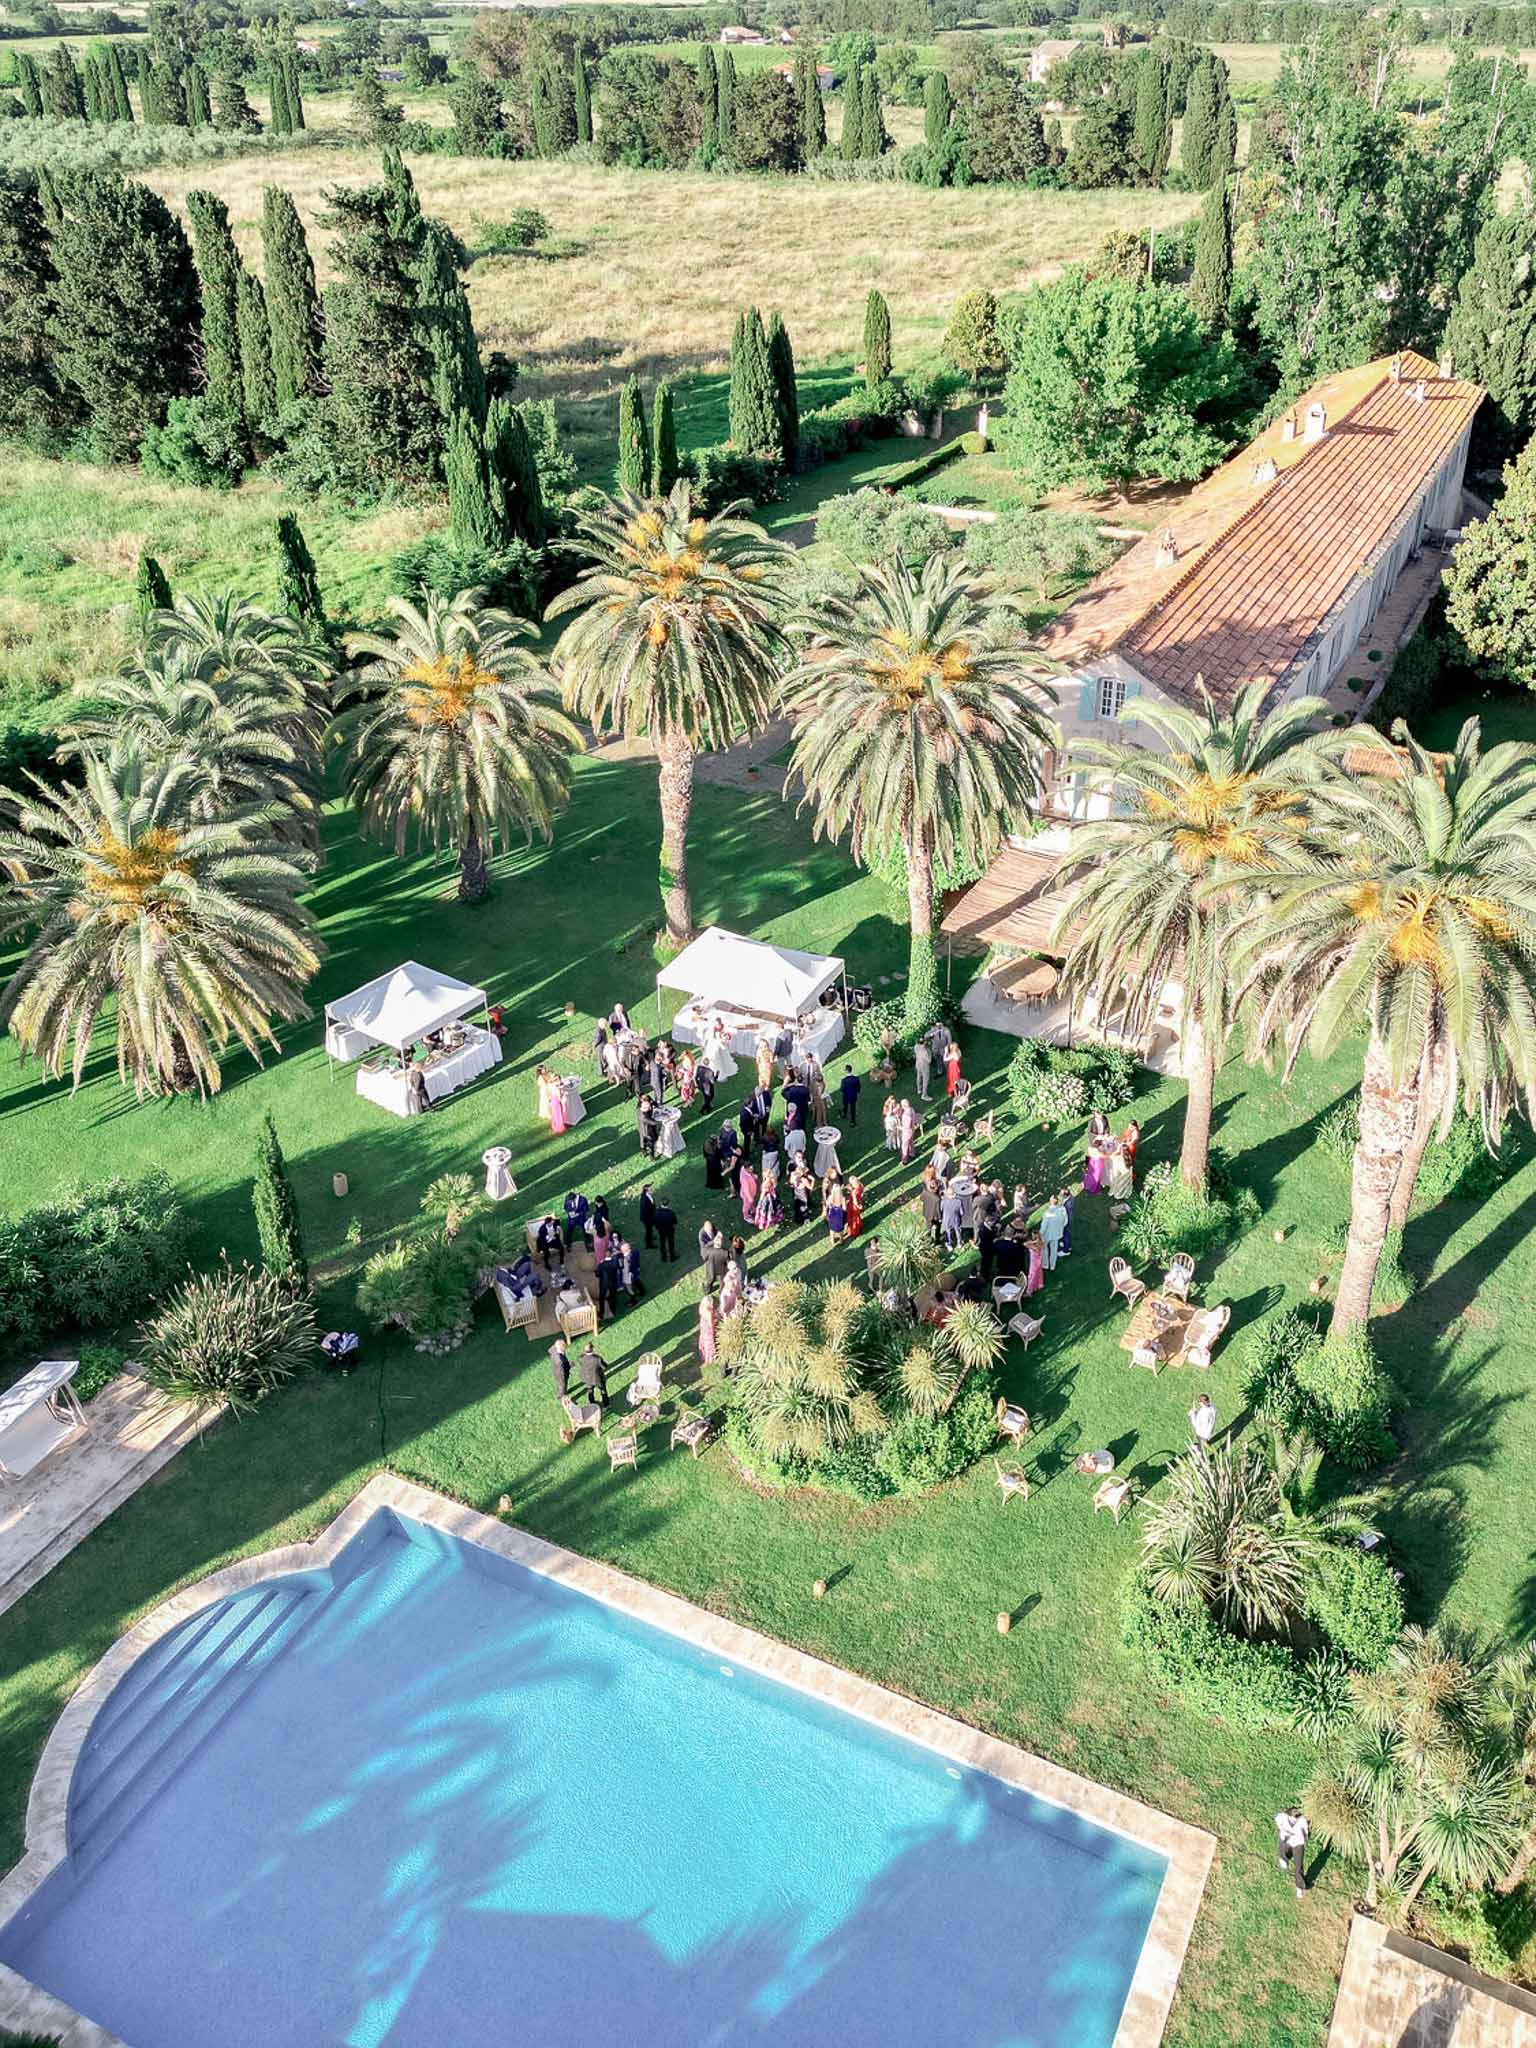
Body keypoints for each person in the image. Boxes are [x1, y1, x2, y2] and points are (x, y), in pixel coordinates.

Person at [1275, 1809, 1309, 1897]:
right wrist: (1282, 1831)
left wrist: (1303, 1839)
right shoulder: (1282, 1817)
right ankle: (1284, 1858)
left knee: (1298, 1866)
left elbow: (1306, 1833)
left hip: (1298, 1844)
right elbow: (1277, 1819)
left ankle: (1299, 1887)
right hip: (1287, 1840)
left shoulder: (1302, 1821)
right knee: (1284, 1848)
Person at [1038, 1192, 1068, 1272]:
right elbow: (1065, 1222)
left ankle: (1045, 1264)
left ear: (1051, 1201)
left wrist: (1039, 1234)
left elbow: (1044, 1227)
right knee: (1054, 1250)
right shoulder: (1062, 1209)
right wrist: (1059, 1228)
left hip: (1047, 1235)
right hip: (1057, 1233)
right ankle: (1052, 1266)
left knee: (1044, 1249)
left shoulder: (1048, 1213)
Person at [919, 1167, 944, 1246]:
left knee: (928, 1227)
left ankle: (927, 1240)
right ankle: (937, 1240)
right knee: (937, 1228)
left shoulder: (925, 1190)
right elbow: (938, 1210)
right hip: (935, 1216)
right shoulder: (937, 1199)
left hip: (927, 1212)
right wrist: (940, 1218)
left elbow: (921, 1198)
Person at [596, 1243, 622, 1319]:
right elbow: (620, 1267)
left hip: (604, 1283)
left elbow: (597, 1274)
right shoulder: (615, 1262)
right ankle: (613, 1311)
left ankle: (601, 1313)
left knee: (602, 1297)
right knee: (613, 1297)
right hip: (613, 1282)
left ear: (605, 1255)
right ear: (611, 1254)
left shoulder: (601, 1264)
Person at [940, 1180, 967, 1253]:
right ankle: (959, 1243)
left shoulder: (943, 1202)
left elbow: (941, 1210)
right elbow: (962, 1212)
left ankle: (949, 1245)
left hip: (947, 1220)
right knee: (957, 1231)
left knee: (948, 1232)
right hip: (956, 1219)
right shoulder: (958, 1201)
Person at [789, 1157, 816, 1224]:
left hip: (796, 1193)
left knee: (798, 1206)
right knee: (804, 1206)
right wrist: (813, 1180)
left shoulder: (793, 1175)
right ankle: (806, 1219)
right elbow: (810, 1188)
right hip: (802, 1193)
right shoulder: (803, 1180)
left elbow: (791, 1182)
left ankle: (798, 1217)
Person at [619, 1235, 644, 1302]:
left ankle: (633, 1300)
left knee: (629, 1289)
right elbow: (637, 1259)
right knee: (637, 1281)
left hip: (628, 1276)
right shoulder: (635, 1251)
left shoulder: (626, 1260)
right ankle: (642, 1292)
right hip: (635, 1271)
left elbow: (626, 1270)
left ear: (623, 1251)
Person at [697, 1292, 719, 1369]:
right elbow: (711, 1324)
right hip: (708, 1330)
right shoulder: (709, 1312)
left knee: (703, 1341)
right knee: (709, 1345)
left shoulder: (701, 1307)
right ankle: (709, 1360)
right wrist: (714, 1330)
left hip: (703, 1327)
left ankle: (703, 1355)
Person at [655, 1195, 678, 1263]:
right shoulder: (671, 1213)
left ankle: (663, 1258)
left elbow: (655, 1222)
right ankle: (672, 1257)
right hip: (670, 1230)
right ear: (668, 1203)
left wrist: (657, 1228)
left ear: (661, 1203)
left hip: (661, 1230)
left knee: (662, 1243)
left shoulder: (657, 1213)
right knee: (671, 1243)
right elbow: (675, 1222)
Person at [824, 1175, 847, 1243]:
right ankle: (841, 1240)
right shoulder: (842, 1198)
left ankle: (832, 1240)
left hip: (832, 1214)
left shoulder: (830, 1197)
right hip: (839, 1215)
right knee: (840, 1229)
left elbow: (827, 1204)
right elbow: (844, 1208)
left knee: (831, 1229)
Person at [637, 1092, 659, 1158]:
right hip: (645, 1128)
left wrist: (652, 1103)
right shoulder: (641, 1113)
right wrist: (657, 1123)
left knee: (647, 1138)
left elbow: (655, 1104)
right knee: (649, 1140)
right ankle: (651, 1155)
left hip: (647, 1126)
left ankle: (644, 1150)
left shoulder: (647, 1100)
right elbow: (649, 1121)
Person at [738, 1157, 759, 1226]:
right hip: (747, 1195)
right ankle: (746, 1216)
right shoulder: (744, 1178)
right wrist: (749, 1198)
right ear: (746, 1168)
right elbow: (746, 1189)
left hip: (752, 1192)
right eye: (750, 1169)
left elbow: (750, 1174)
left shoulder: (744, 1169)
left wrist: (753, 1176)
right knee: (746, 1205)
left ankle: (752, 1209)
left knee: (751, 1203)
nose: (752, 1169)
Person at [1023, 1229, 1044, 1297]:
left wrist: (1033, 1242)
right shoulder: (1040, 1242)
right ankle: (1039, 1284)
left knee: (1031, 1276)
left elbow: (1025, 1244)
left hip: (1034, 1263)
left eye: (1034, 1236)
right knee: (1038, 1274)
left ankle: (1029, 1291)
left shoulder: (1035, 1246)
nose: (1033, 1237)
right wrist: (1034, 1241)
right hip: (1038, 1261)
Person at [845, 1173, 864, 1239]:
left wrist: (858, 1206)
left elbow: (855, 1202)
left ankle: (854, 1231)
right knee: (857, 1216)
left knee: (853, 1218)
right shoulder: (860, 1185)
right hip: (858, 1202)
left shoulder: (854, 1192)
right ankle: (859, 1225)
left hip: (853, 1206)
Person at [1057, 1186, 1075, 1258]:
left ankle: (1066, 1251)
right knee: (1065, 1234)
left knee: (1066, 1235)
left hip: (1066, 1221)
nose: (1060, 1195)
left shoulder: (1068, 1204)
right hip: (1067, 1220)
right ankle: (1067, 1245)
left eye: (1061, 1195)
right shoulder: (1070, 1198)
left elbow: (1066, 1214)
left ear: (1065, 1195)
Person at [638, 1184, 657, 1249]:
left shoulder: (648, 1195)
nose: (652, 1190)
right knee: (648, 1230)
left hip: (650, 1216)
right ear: (646, 1190)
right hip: (647, 1218)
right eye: (650, 1189)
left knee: (650, 1229)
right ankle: (649, 1244)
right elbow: (646, 1211)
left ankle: (650, 1236)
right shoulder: (644, 1199)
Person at [913, 1035, 932, 1101]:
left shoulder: (916, 1046)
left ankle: (919, 1089)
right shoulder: (925, 1051)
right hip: (924, 1065)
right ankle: (924, 1095)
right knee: (925, 1079)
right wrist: (929, 1050)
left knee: (919, 1076)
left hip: (918, 1064)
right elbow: (929, 1060)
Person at [899, 1098, 918, 1165]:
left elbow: (907, 1126)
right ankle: (912, 1153)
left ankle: (904, 1160)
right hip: (912, 1130)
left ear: (904, 1105)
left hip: (907, 1132)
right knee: (911, 1142)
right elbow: (914, 1119)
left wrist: (900, 1127)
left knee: (904, 1146)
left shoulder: (906, 1115)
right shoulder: (911, 1109)